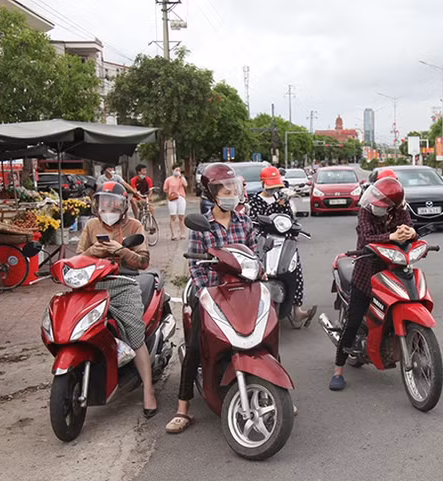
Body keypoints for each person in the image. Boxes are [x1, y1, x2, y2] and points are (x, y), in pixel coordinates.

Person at [166, 163, 257, 434]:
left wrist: (256, 276)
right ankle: (183, 408)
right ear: (212, 193)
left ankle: (272, 391)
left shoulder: (245, 222)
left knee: (263, 331)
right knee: (194, 343)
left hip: (241, 289)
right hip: (210, 291)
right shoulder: (201, 225)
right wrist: (207, 292)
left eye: (234, 188)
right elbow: (195, 267)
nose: (231, 193)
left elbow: (253, 256)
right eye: (225, 189)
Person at [76, 182, 158, 417]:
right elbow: (80, 256)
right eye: (104, 203)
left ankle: (148, 390)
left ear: (123, 206)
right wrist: (96, 251)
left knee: (134, 333)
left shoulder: (135, 225)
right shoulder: (91, 226)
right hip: (93, 284)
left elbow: (143, 262)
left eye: (113, 203)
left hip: (125, 283)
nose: (108, 208)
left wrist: (119, 250)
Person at [329, 171, 416, 391]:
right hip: (366, 273)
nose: (375, 206)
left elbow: (408, 228)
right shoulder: (366, 212)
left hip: (393, 269)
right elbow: (365, 237)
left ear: (392, 206)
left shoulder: (400, 211)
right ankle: (338, 369)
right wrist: (391, 237)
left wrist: (411, 232)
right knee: (353, 321)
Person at [248, 166, 316, 326]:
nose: (273, 190)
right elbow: (257, 220)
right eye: (270, 186)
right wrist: (275, 206)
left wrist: (285, 206)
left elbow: (289, 218)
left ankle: (297, 309)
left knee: (294, 270)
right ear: (263, 183)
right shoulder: (255, 201)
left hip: (285, 241)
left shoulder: (282, 198)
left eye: (276, 186)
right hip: (264, 241)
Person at [163, 164, 187, 240]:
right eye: (176, 170)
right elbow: (165, 189)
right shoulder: (168, 179)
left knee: (181, 216)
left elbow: (186, 185)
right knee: (173, 216)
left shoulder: (181, 179)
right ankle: (173, 234)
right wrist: (171, 193)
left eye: (179, 170)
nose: (178, 172)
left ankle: (182, 233)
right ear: (173, 170)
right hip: (172, 198)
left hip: (181, 197)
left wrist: (181, 177)